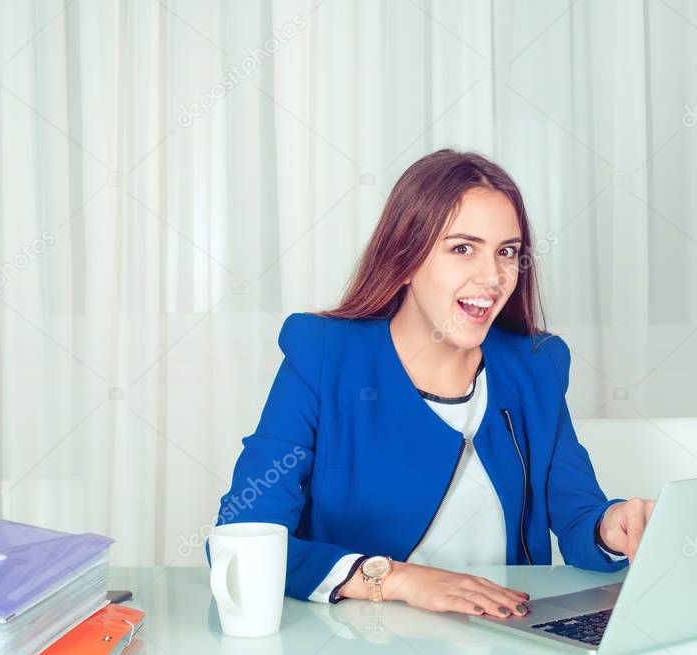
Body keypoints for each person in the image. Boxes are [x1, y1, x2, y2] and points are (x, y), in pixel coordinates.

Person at [211, 149, 655, 619]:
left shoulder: (534, 366)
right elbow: (245, 535)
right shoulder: (324, 355)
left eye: (507, 252)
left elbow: (577, 513)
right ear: (404, 259)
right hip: (357, 641)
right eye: (463, 248)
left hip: (504, 639)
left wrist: (611, 526)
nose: (493, 276)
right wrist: (398, 579)